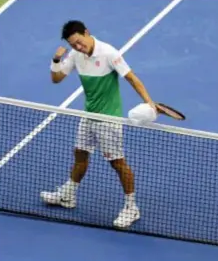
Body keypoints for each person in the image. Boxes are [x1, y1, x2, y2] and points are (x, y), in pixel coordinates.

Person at [40, 20, 157, 228]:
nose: (77, 47)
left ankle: (132, 207)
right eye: (73, 45)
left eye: (79, 42)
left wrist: (149, 102)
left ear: (86, 33)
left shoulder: (108, 53)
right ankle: (69, 195)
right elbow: (56, 79)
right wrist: (56, 60)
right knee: (80, 154)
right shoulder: (76, 55)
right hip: (89, 115)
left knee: (117, 163)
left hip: (108, 120)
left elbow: (132, 78)